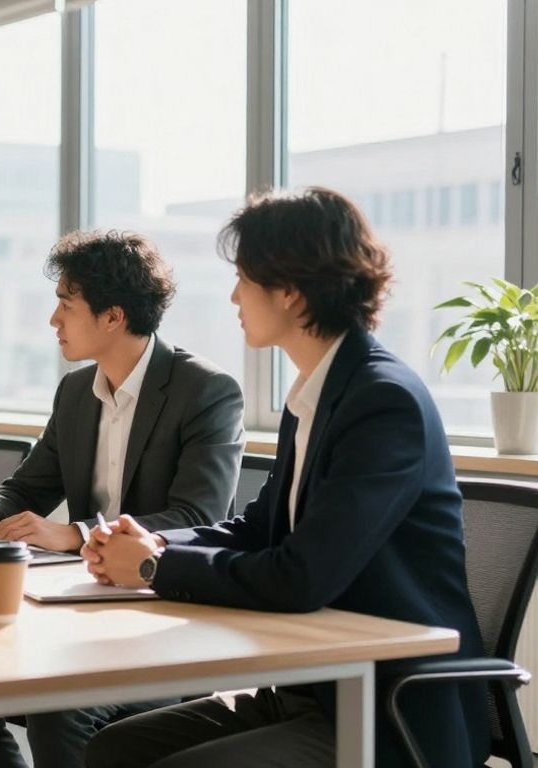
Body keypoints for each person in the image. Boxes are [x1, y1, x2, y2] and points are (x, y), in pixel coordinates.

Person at [82, 187, 488, 768]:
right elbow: (259, 528)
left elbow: (302, 576)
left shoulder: (382, 402)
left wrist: (153, 567)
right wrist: (151, 543)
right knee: (114, 749)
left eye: (244, 279)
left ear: (291, 293)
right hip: (310, 687)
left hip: (384, 708)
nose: (233, 295)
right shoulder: (317, 394)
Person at [0, 230, 244, 768]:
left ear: (113, 317)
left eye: (65, 305)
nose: (53, 320)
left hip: (165, 623)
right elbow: (28, 485)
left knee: (61, 707)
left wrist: (74, 533)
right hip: (80, 614)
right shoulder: (76, 392)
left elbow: (198, 517)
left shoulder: (207, 391)